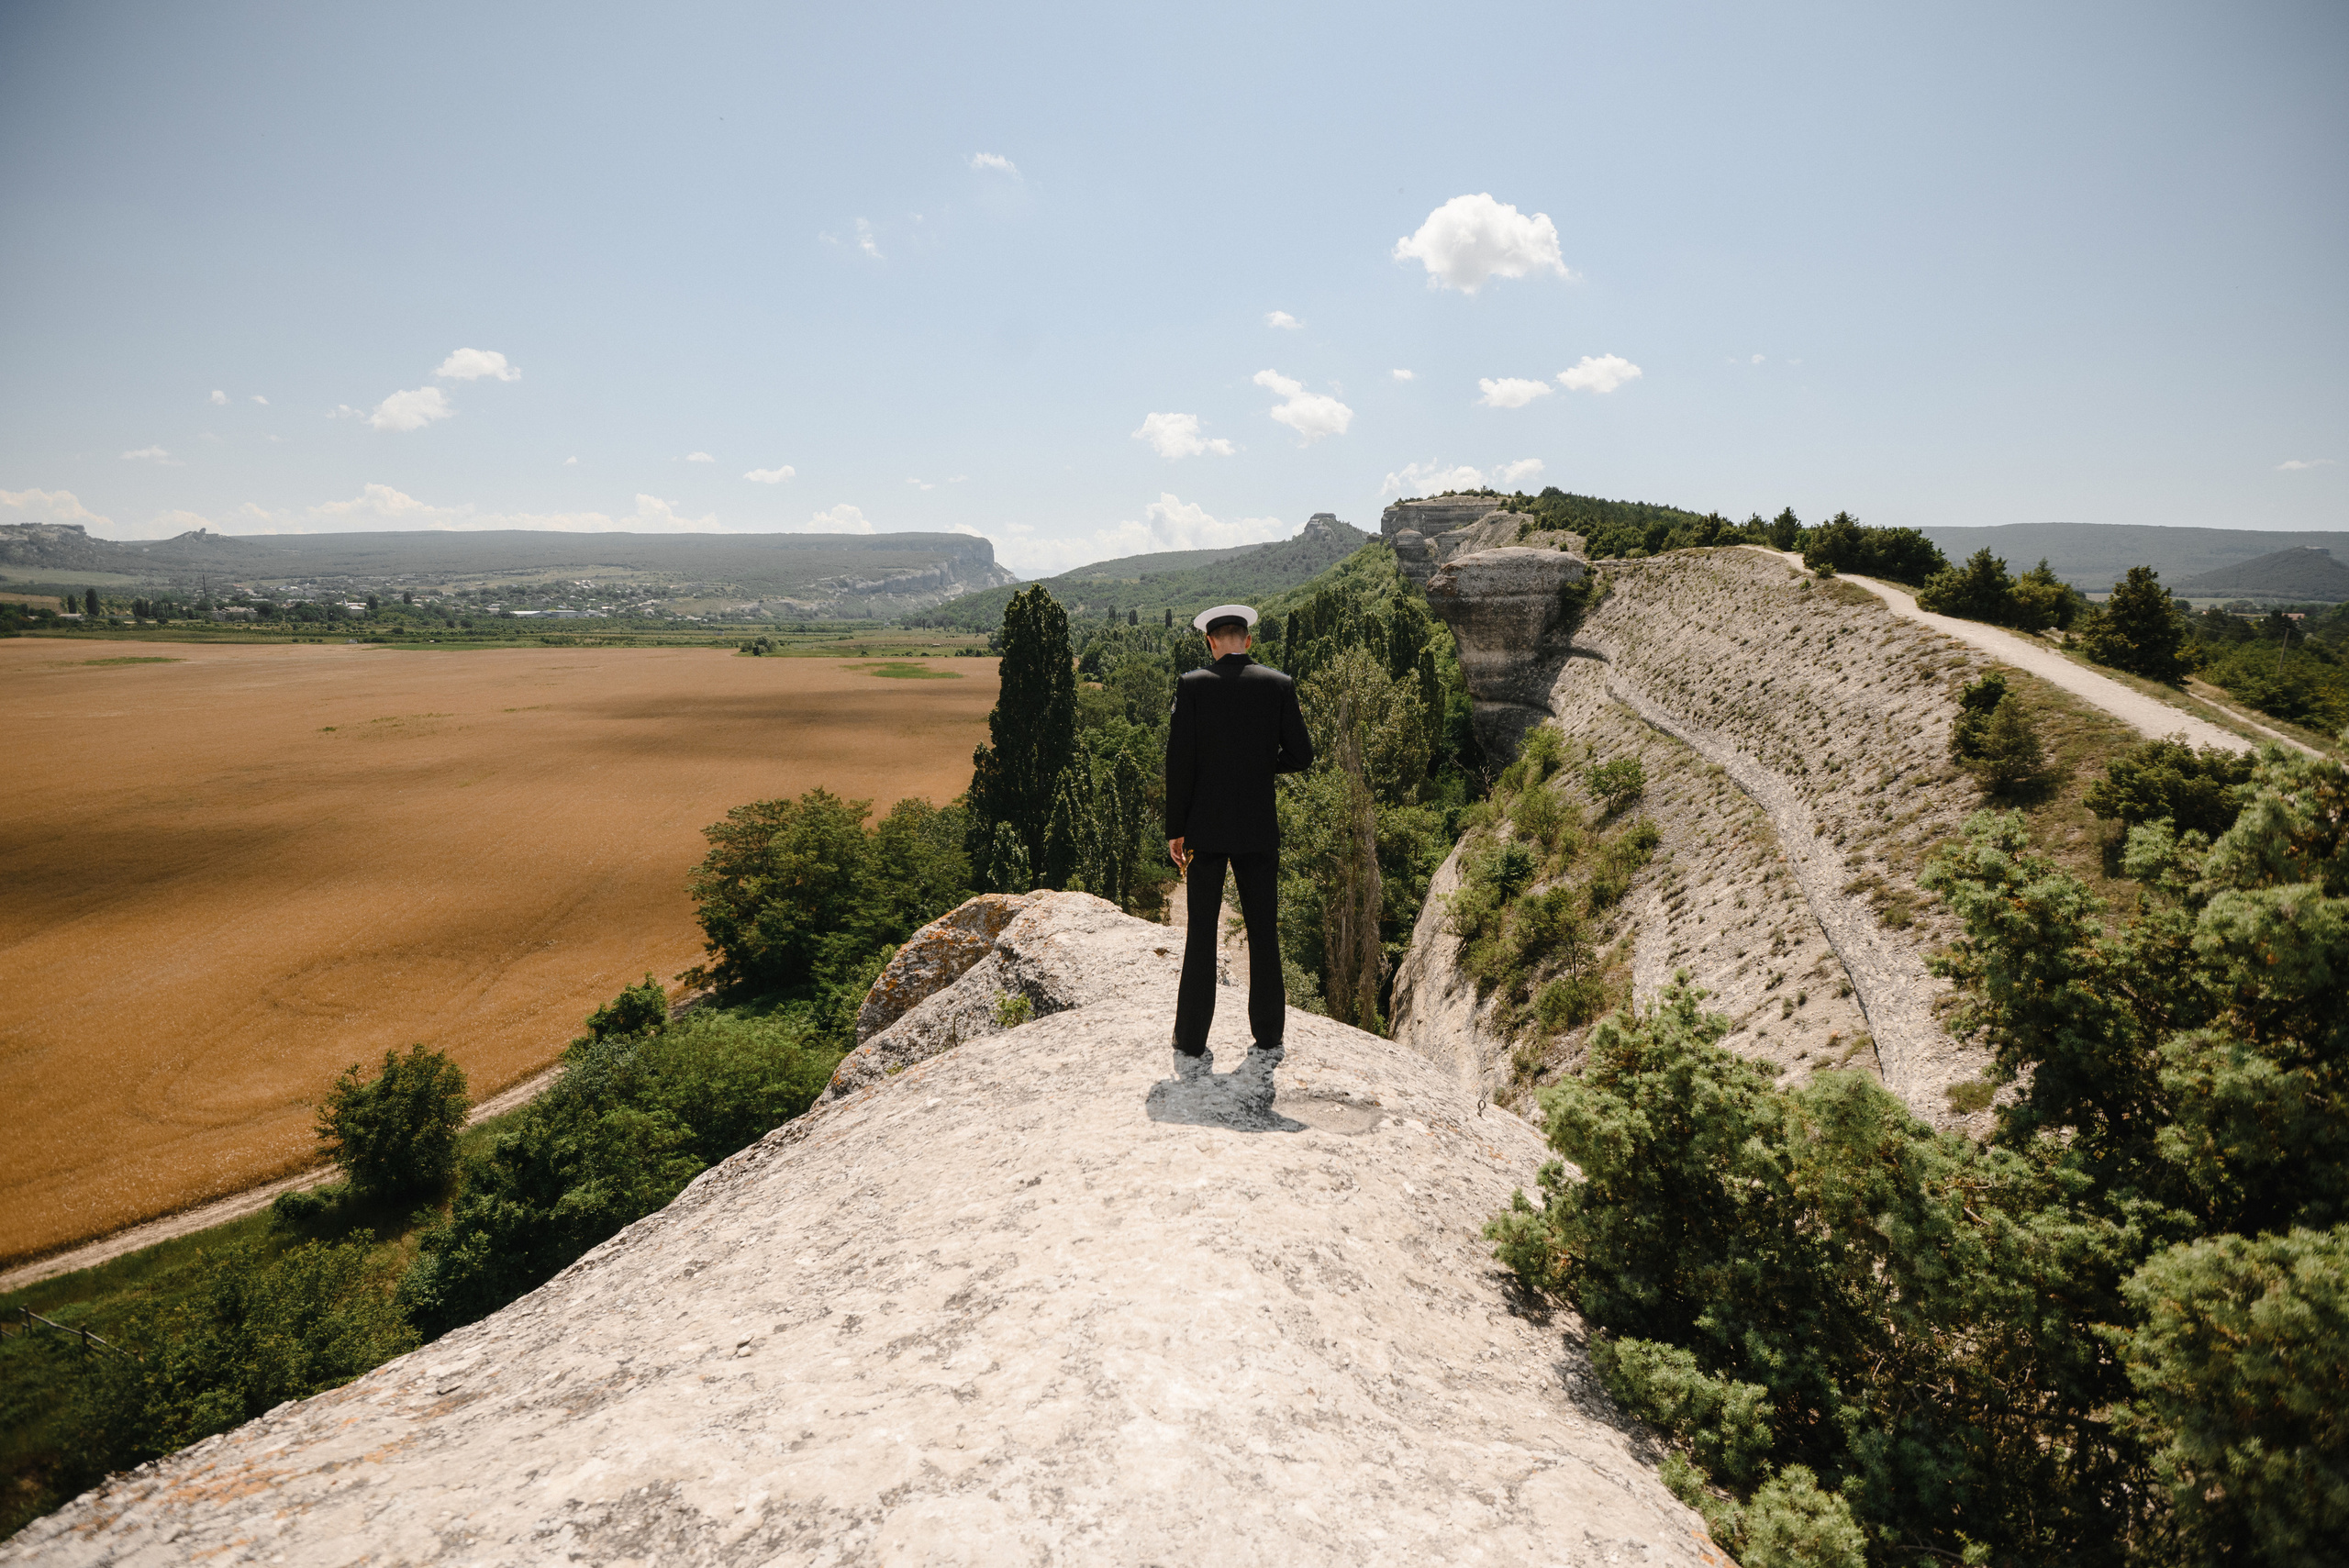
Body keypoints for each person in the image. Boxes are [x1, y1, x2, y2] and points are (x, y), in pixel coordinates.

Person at [1163, 603, 1313, 1081]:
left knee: (1200, 935)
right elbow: (1302, 754)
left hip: (1205, 830)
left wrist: (1176, 828)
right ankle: (1268, 1036)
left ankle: (1191, 1039)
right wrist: (1260, 764)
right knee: (1264, 933)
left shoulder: (1192, 687)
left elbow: (1178, 763)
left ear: (1211, 641)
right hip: (1256, 829)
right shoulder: (1278, 685)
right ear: (1247, 640)